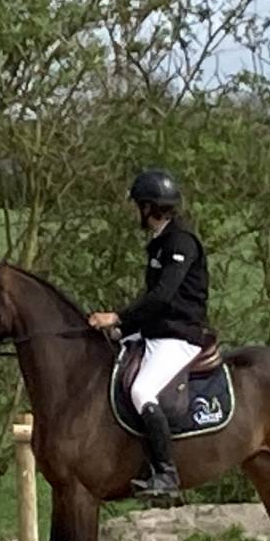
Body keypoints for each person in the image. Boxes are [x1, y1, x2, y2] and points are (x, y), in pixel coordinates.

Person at [88, 169, 211, 499]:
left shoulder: (180, 242)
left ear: (147, 207)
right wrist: (121, 330)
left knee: (142, 390)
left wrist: (117, 316)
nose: (134, 213)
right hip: (156, 332)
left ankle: (166, 473)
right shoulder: (159, 242)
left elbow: (162, 297)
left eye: (136, 206)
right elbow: (153, 305)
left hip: (179, 336)